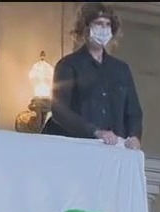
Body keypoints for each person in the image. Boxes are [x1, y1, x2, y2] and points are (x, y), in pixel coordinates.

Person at [42, 2, 144, 151]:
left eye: (107, 24)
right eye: (99, 23)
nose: (104, 29)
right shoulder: (68, 64)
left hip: (114, 151)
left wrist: (134, 136)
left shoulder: (121, 69)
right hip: (77, 148)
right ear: (86, 28)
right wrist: (94, 131)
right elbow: (60, 110)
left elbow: (134, 112)